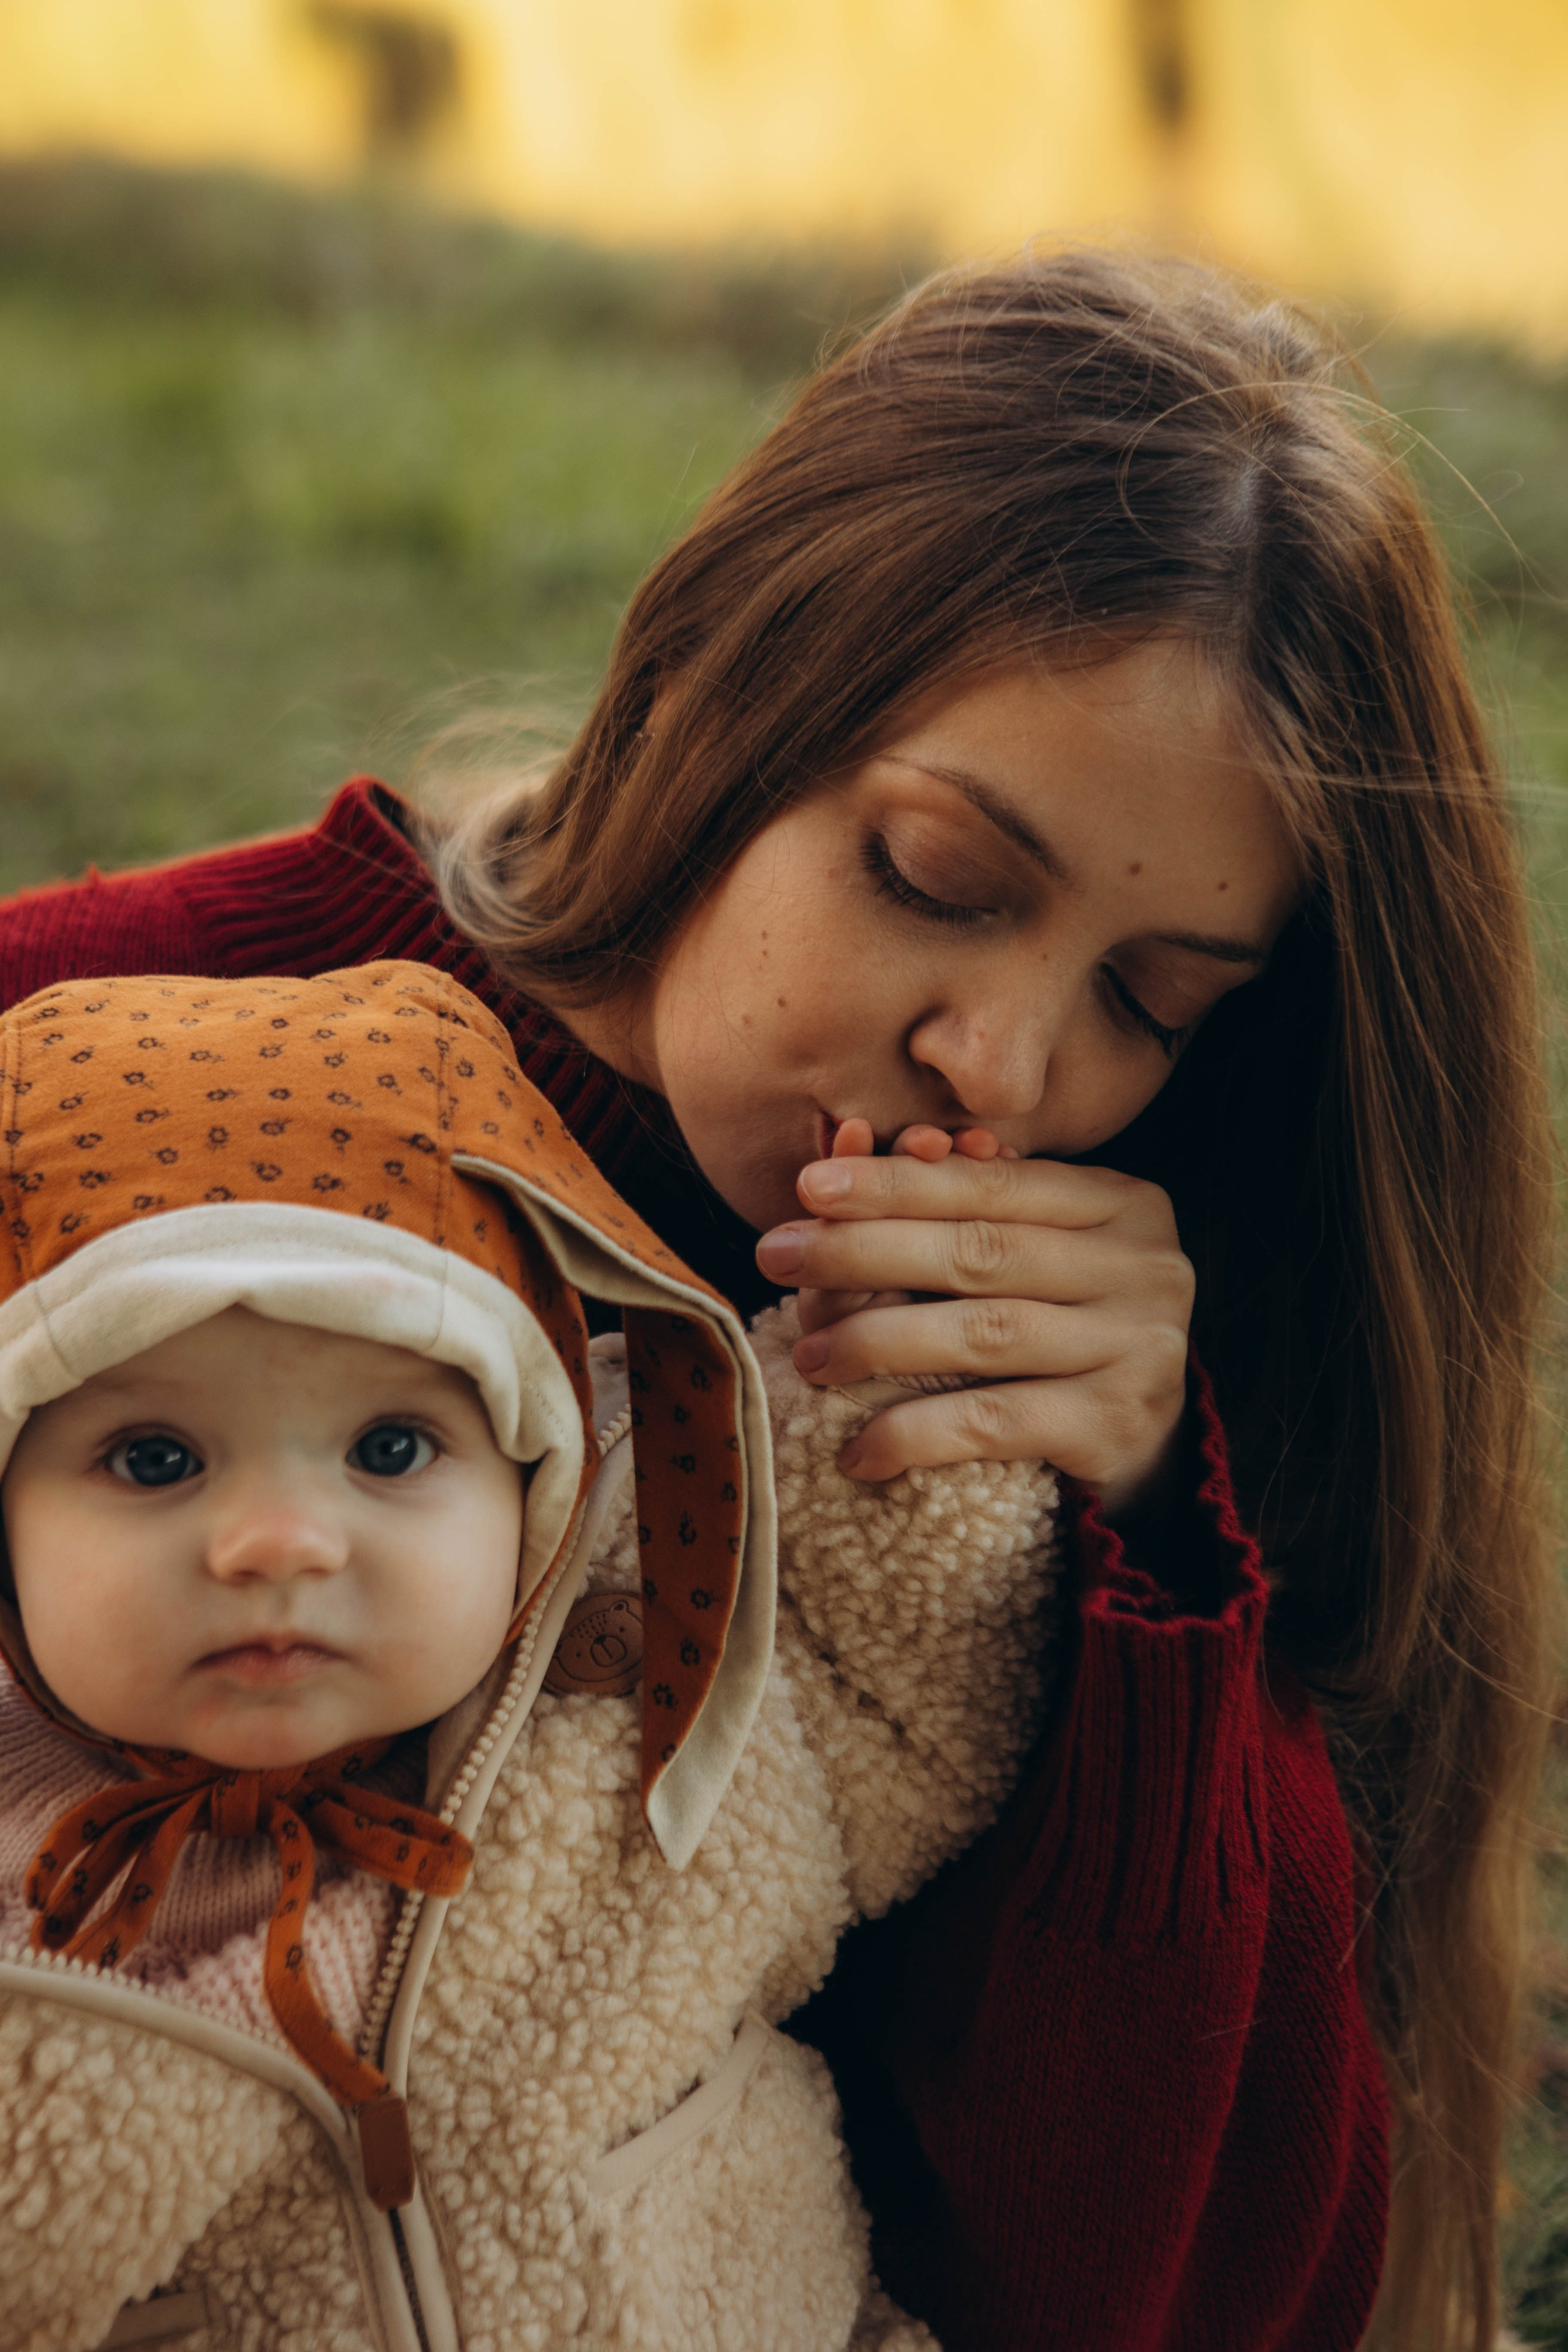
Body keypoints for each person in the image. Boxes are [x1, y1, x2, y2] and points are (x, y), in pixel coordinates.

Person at [0, 246, 1553, 2351]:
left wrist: (1156, 1586)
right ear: (728, 687)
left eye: (1145, 1002)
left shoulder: (1094, 1367)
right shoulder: (97, 1033)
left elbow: (1176, 2310)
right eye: (933, 877)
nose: (1000, 1069)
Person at [0, 960, 1063, 2350]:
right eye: (152, 1458)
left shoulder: (656, 1697)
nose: (277, 1543)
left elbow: (918, 1688)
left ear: (538, 1479)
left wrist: (907, 1360)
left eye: (391, 1449)